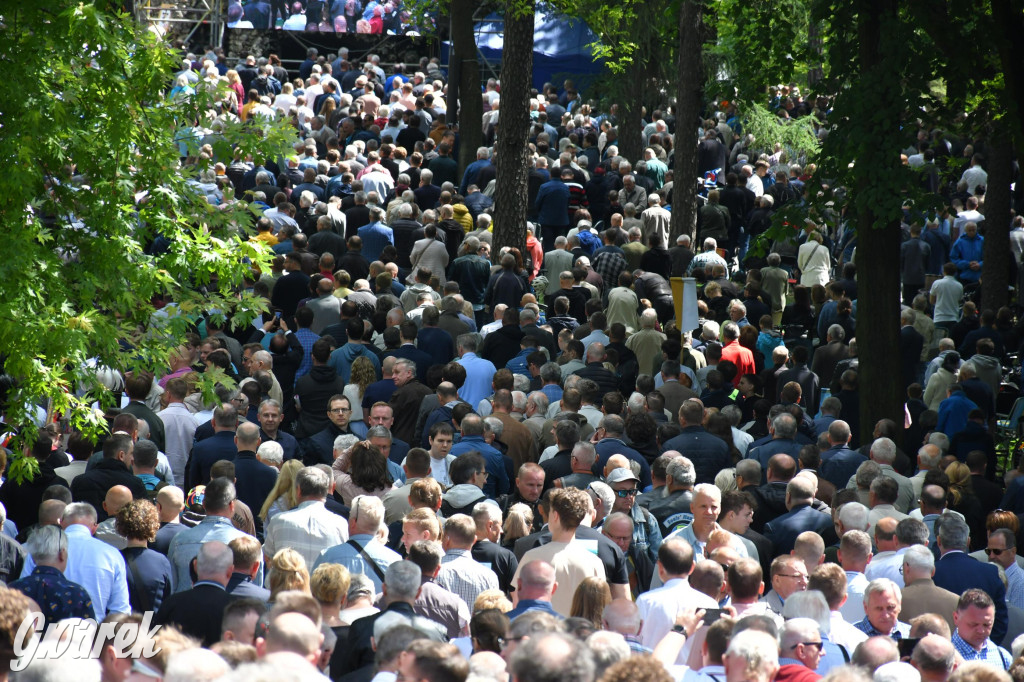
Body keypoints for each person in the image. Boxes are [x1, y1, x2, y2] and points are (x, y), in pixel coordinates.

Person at [8, 525, 94, 626]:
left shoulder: (12, 591)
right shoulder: (76, 593)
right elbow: (89, 634)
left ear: (33, 558)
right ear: (62, 554)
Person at [154, 540, 236, 647]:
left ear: (195, 566)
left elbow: (154, 646)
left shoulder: (172, 604)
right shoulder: (238, 609)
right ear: (230, 571)